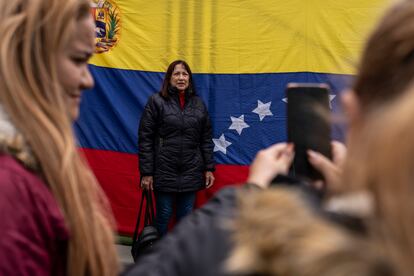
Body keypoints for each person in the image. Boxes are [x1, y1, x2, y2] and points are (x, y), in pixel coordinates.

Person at [0, 0, 119, 275]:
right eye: (78, 60)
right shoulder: (10, 188)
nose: (88, 81)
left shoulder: (35, 167)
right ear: (29, 58)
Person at [138, 60, 215, 236]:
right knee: (164, 215)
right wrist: (147, 173)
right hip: (164, 170)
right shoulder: (156, 102)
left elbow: (206, 139)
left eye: (185, 74)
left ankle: (179, 257)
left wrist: (209, 168)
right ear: (169, 78)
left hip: (191, 170)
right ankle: (160, 257)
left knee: (186, 216)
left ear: (189, 78)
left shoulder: (199, 104)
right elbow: (145, 139)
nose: (181, 78)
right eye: (176, 74)